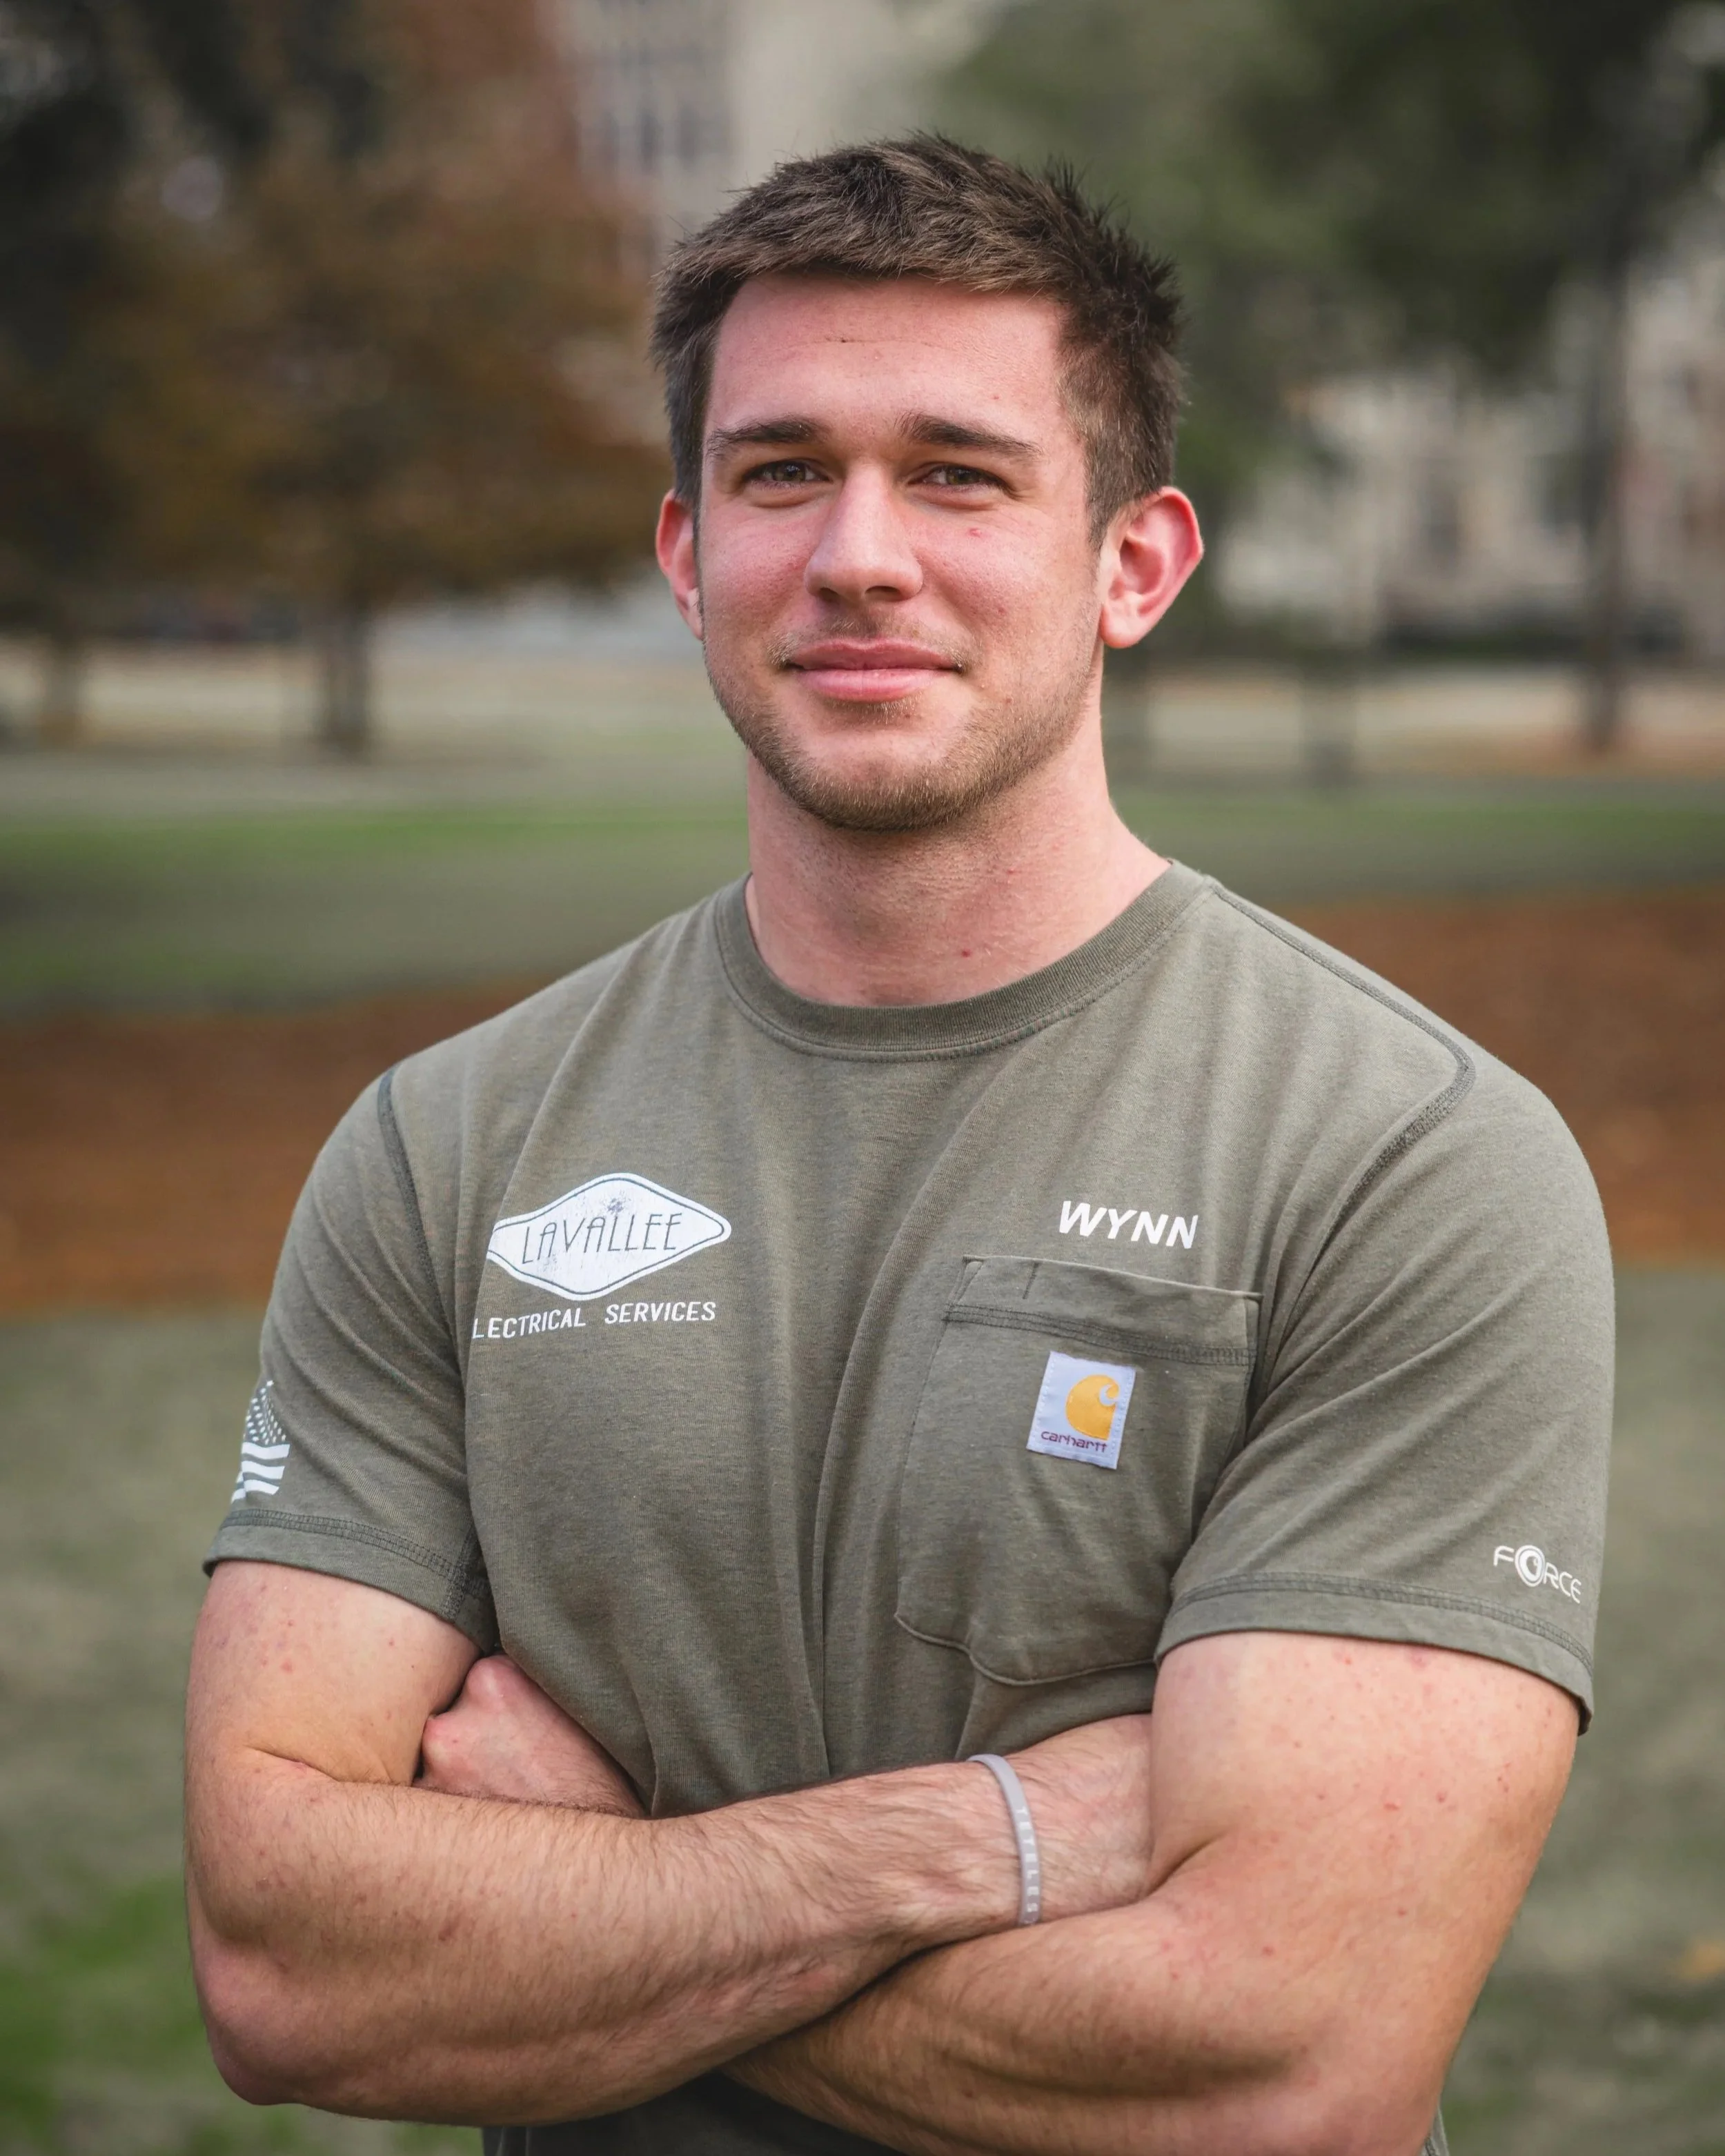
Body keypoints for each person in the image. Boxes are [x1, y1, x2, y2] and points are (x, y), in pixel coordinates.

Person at [186, 139, 1613, 2156]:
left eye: (957, 472)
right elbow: (281, 1962)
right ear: (687, 553)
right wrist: (967, 1839)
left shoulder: (1400, 1159)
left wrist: (609, 1878)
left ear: (1134, 561)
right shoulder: (448, 1147)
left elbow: (1278, 2065)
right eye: (782, 471)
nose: (858, 552)